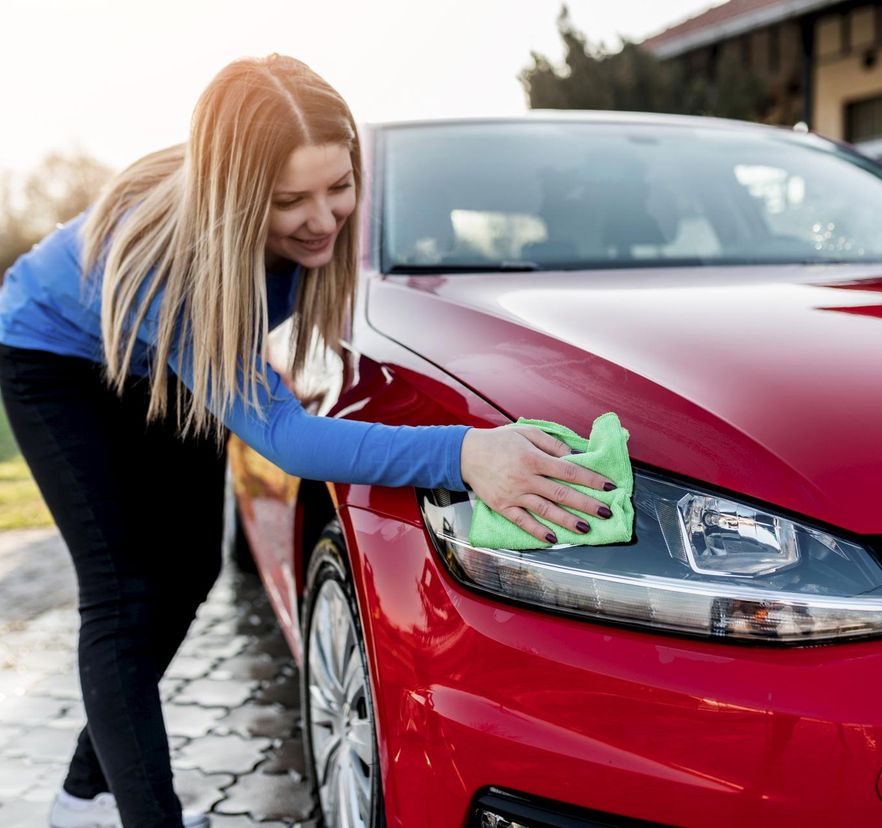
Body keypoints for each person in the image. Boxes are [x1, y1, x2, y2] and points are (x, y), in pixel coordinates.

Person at [0, 55, 616, 828]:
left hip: (162, 349)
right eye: (290, 200)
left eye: (339, 187)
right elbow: (287, 441)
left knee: (191, 565)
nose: (323, 218)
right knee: (124, 593)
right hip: (55, 359)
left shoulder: (321, 225)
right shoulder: (183, 267)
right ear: (236, 199)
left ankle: (82, 791)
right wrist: (464, 451)